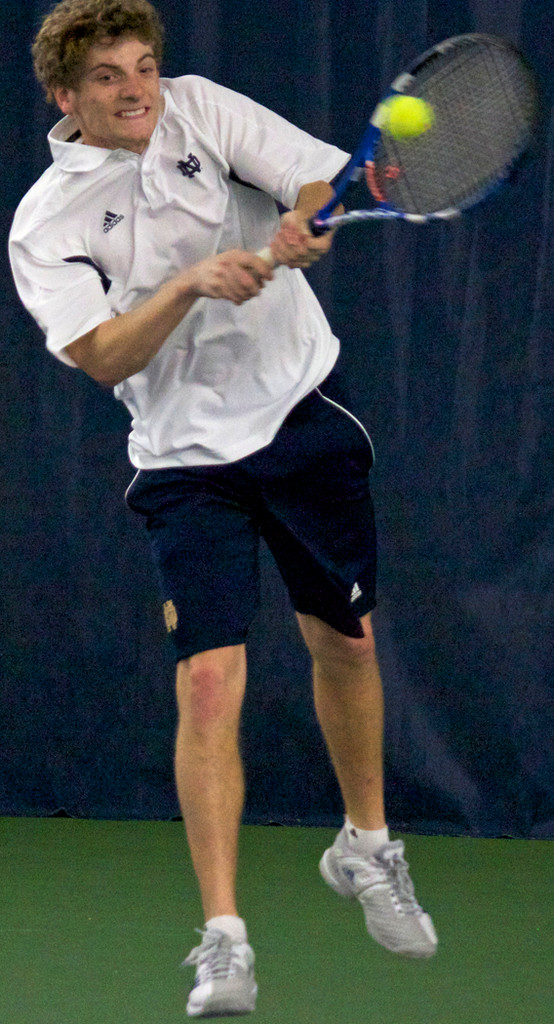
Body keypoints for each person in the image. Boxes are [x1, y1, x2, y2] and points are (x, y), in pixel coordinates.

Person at [10, 0, 437, 1016]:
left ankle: (365, 845)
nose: (136, 88)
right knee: (209, 682)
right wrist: (191, 284)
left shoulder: (201, 111)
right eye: (109, 76)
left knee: (347, 643)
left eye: (145, 65)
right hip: (182, 459)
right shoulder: (44, 221)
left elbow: (323, 175)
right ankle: (225, 939)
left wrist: (303, 217)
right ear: (66, 98)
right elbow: (102, 354)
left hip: (296, 410)